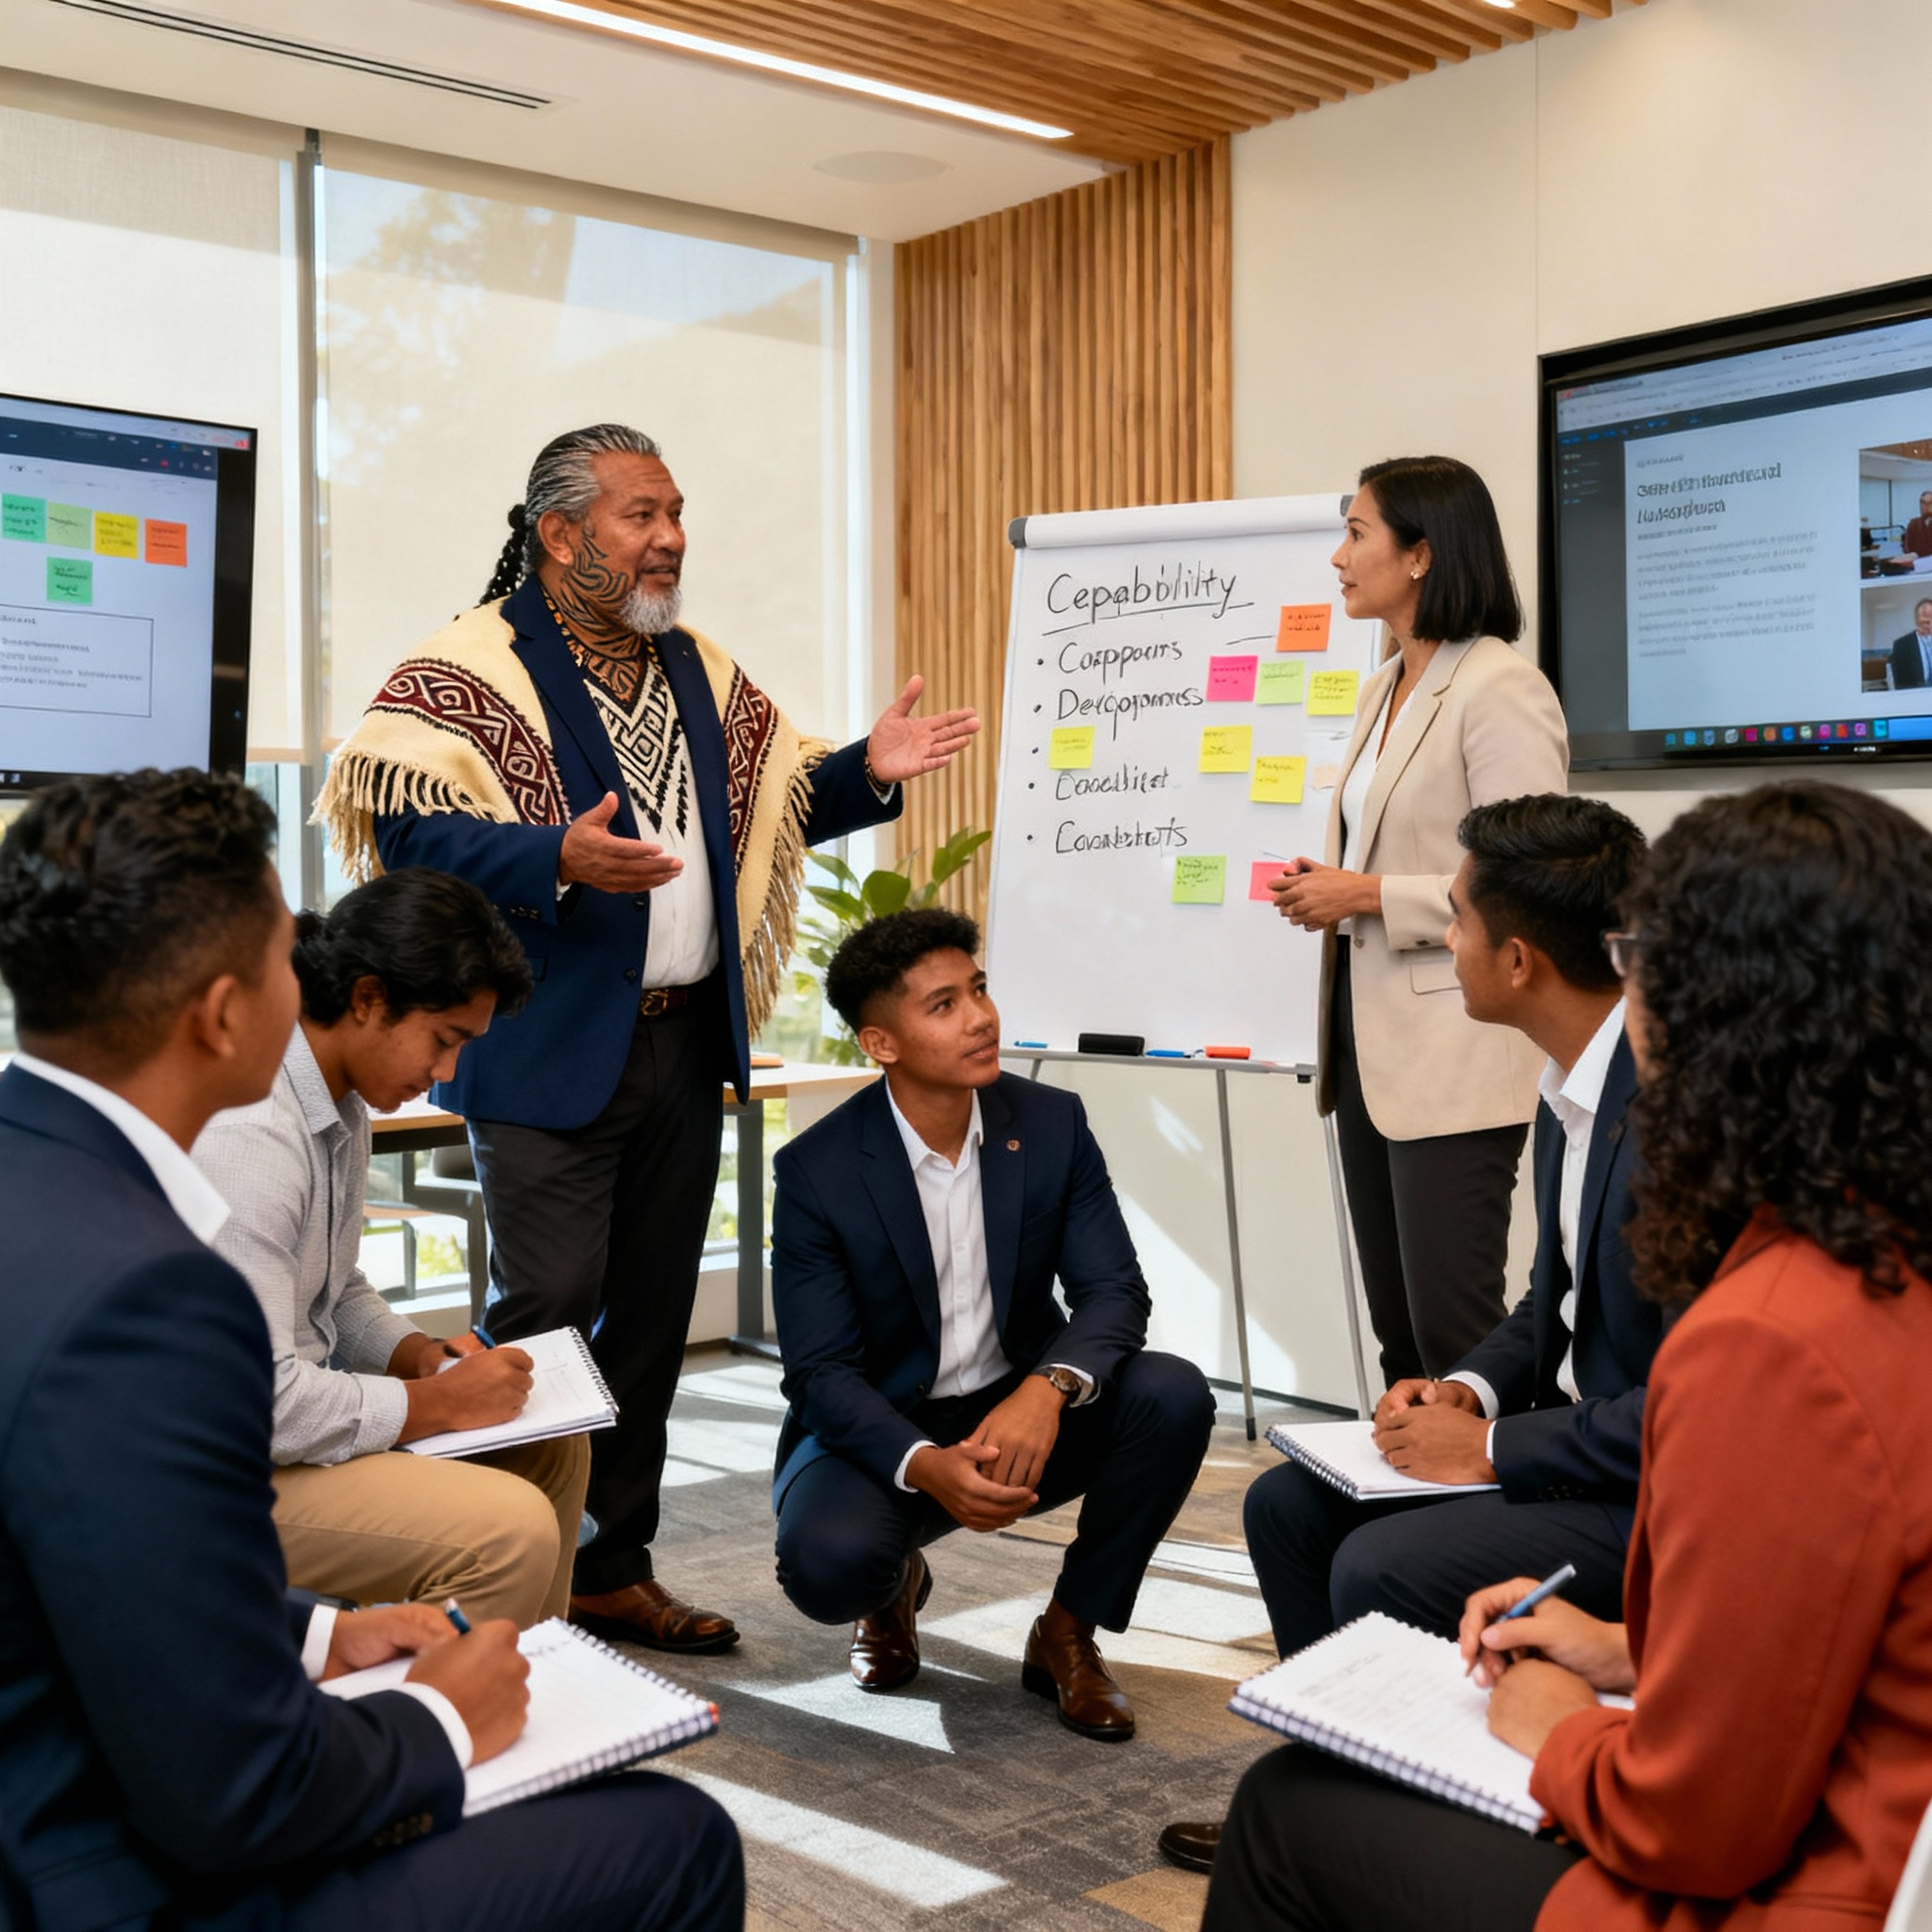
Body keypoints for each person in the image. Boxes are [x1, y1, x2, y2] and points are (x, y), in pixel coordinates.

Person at [0, 768, 741, 1931]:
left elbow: (116, 1559)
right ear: (220, 1005)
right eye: (277, 950)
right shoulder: (150, 1290)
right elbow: (232, 1790)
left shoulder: (39, 1171)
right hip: (104, 1867)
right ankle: (494, 1758)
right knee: (683, 1836)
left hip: (98, 1757)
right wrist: (437, 1726)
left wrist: (319, 1628)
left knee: (544, 1480)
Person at [1202, 780, 1932, 1931]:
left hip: (1805, 1879)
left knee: (1282, 1815)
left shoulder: (1775, 1331)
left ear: (1711, 1010)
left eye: (1646, 956)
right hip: (1849, 1801)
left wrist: (1554, 1721)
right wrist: (1622, 1647)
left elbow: (1690, 1821)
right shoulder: (1877, 1243)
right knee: (1301, 1527)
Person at [318, 424, 978, 1655]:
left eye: (675, 511)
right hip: (549, 1053)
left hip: (686, 1048)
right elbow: (406, 834)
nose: (669, 536)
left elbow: (768, 810)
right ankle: (503, 1561)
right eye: (638, 515)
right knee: (548, 1312)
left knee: (652, 1323)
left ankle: (611, 1568)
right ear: (559, 532)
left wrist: (867, 775)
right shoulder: (471, 671)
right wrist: (547, 855)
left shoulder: (696, 666)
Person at [1158, 791, 1661, 1877]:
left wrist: (1488, 1450)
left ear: (1518, 959)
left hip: (1651, 1493)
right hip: (1574, 1446)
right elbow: (1549, 1301)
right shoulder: (1572, 1077)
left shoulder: (1670, 1113)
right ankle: (1340, 1794)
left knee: (1378, 1562)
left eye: (1460, 923)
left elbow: (1699, 1407)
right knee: (1287, 1506)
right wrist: (1469, 1391)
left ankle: (1429, 1832)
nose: (1447, 940)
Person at [768, 908, 1214, 1740]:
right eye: (943, 1005)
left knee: (1172, 1395)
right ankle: (891, 1585)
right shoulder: (816, 1172)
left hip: (1018, 1398)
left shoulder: (1050, 1125)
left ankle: (1068, 1631)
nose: (981, 1017)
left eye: (978, 990)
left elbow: (1116, 1293)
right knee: (831, 1567)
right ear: (881, 1045)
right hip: (886, 1421)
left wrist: (1047, 1390)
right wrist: (924, 1463)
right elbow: (821, 1372)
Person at [194, 867, 591, 1629]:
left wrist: (416, 1355)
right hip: (216, 1470)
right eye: (444, 1041)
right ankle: (421, 1738)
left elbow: (333, 1287)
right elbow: (261, 1405)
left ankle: (525, 1693)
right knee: (509, 1530)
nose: (446, 1074)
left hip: (283, 1432)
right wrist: (434, 1403)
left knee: (553, 1449)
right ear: (369, 998)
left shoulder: (337, 1092)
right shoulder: (250, 1135)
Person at [1270, 455, 1569, 1384]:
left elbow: (1532, 874)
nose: (1336, 556)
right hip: (1369, 1050)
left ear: (1421, 555)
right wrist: (1335, 881)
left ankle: (1493, 1524)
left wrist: (1362, 895)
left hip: (1454, 1045)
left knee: (1453, 1336)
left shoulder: (1498, 687)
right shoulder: (1382, 684)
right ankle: (1398, 1524)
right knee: (1399, 1335)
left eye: (1356, 533)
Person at [1890, 596, 1932, 690]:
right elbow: (1900, 684)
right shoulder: (1901, 646)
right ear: (1917, 621)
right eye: (1927, 622)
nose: (1931, 626)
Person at [1900, 489, 1932, 559]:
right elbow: (1907, 547)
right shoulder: (1913, 523)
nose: (1926, 506)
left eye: (1930, 503)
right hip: (1917, 564)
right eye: (1923, 503)